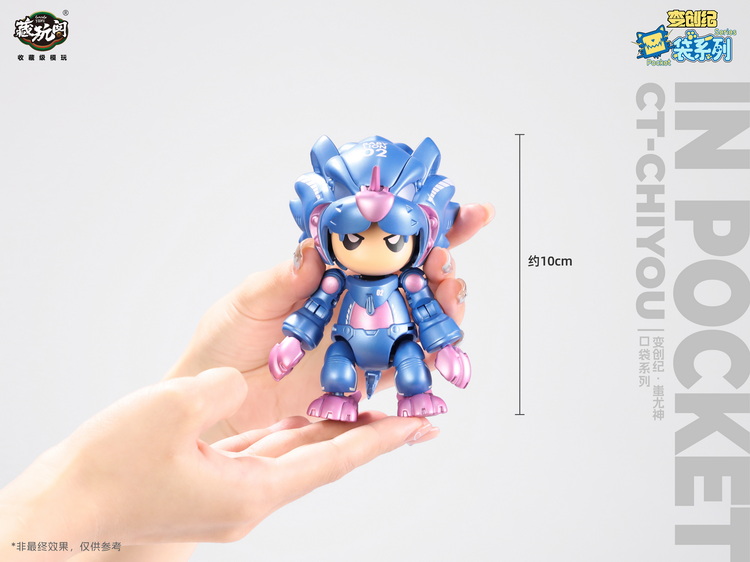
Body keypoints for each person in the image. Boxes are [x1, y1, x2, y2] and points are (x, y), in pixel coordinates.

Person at [0, 203, 493, 561]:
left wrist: (446, 347)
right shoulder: (332, 282)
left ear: (420, 237)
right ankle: (341, 396)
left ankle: (415, 391)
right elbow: (314, 315)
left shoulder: (410, 282)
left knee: (410, 360)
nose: (370, 248)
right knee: (337, 364)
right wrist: (293, 343)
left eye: (391, 240)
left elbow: (429, 313)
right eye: (352, 239)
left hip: (399, 340)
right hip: (343, 343)